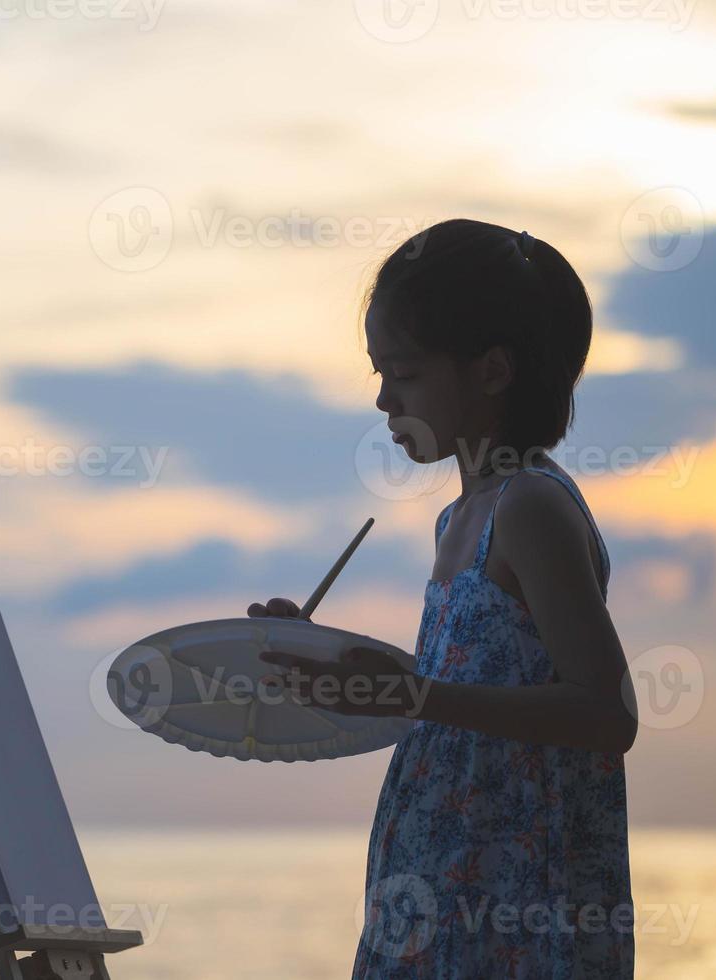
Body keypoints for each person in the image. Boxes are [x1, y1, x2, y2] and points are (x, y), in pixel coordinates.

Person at [254, 219, 636, 978]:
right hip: (439, 896)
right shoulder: (460, 518)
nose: (384, 399)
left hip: (518, 916)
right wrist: (327, 665)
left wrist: (417, 694)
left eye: (405, 372)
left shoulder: (531, 507)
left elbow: (605, 712)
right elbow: (452, 701)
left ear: (492, 371)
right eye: (379, 374)